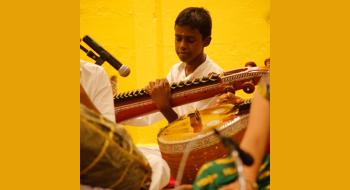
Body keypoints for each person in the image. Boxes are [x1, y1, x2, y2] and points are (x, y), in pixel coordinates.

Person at [80, 59, 170, 190]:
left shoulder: (94, 74)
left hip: (96, 164)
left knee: (157, 165)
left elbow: (111, 141)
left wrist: (82, 96)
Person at [191, 74, 270, 190]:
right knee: (210, 176)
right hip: (264, 162)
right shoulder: (269, 82)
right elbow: (255, 140)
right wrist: (246, 181)